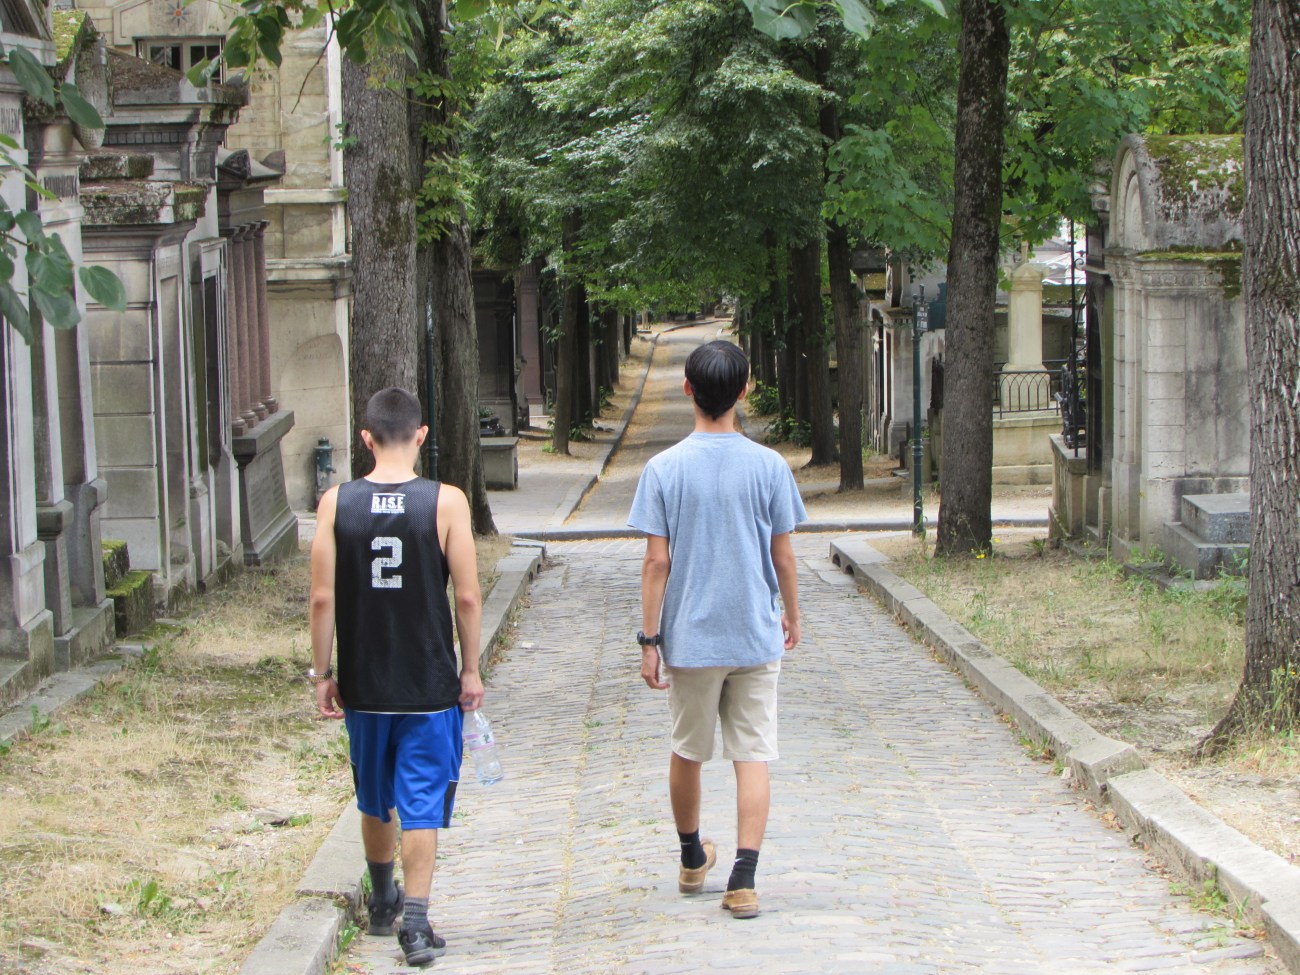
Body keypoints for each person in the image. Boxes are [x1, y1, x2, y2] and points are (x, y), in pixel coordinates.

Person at [628, 340, 806, 920]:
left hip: (692, 637)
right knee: (752, 755)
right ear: (745, 390)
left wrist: (651, 640)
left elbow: (657, 563)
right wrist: (793, 615)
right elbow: (784, 556)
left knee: (688, 750)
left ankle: (689, 858)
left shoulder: (664, 469)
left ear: (688, 390)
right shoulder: (770, 466)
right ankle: (745, 879)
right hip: (754, 633)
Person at [308, 387, 483, 967]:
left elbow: (321, 598)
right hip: (429, 682)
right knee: (423, 799)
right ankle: (415, 922)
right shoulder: (447, 502)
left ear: (365, 438)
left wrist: (323, 672)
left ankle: (384, 899)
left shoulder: (337, 503)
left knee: (375, 792)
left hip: (366, 680)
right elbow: (467, 596)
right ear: (422, 435)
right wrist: (471, 669)